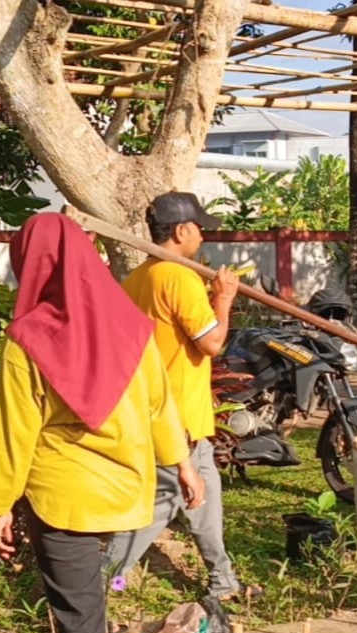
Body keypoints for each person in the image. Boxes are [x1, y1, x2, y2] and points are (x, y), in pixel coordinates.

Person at [0, 212, 204, 633]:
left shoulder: (27, 339)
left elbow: (15, 431)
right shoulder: (134, 327)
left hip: (63, 499)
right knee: (89, 599)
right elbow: (160, 406)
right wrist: (184, 465)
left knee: (79, 619)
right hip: (127, 492)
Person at [102, 191, 258, 608]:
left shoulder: (138, 279)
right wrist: (224, 299)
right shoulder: (179, 278)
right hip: (177, 418)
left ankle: (223, 581)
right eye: (199, 228)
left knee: (204, 500)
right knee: (158, 508)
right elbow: (212, 343)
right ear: (181, 230)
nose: (202, 236)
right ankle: (103, 585)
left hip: (153, 411)